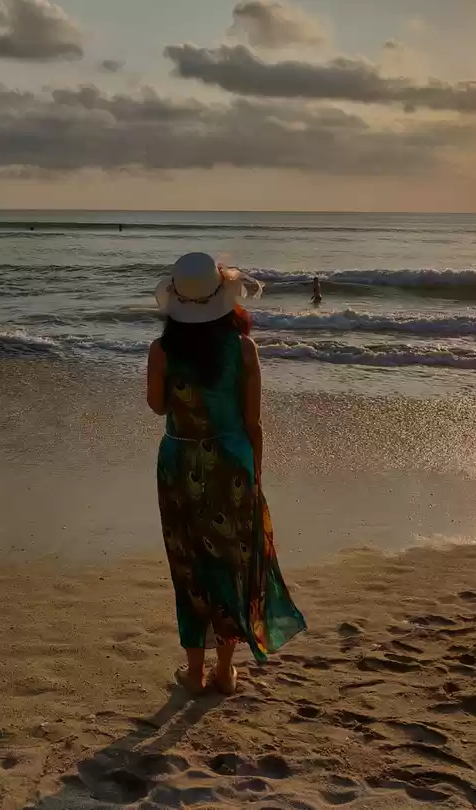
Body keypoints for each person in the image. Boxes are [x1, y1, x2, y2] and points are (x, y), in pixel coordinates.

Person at [146, 252, 306, 696]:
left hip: (179, 461)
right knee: (230, 563)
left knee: (188, 564)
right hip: (231, 462)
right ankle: (223, 672)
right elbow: (253, 423)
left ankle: (194, 675)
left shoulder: (162, 351)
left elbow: (158, 406)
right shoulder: (243, 350)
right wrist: (254, 474)